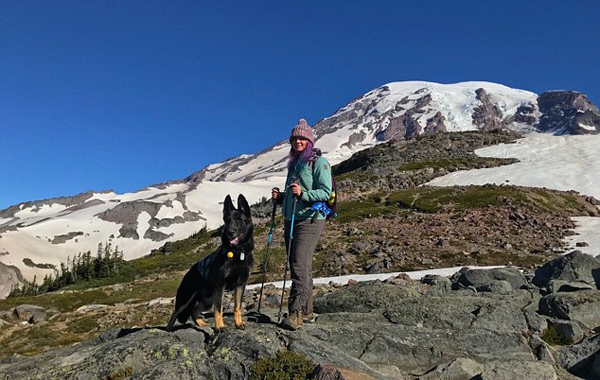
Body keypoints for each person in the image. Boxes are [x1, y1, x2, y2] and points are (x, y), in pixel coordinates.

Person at [272, 118, 332, 331]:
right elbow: (293, 192)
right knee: (300, 264)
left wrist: (304, 194)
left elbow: (325, 192)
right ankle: (307, 311)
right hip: (292, 219)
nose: (298, 141)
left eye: (302, 138)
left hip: (310, 218)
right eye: (295, 138)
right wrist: (282, 197)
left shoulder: (319, 162)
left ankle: (295, 313)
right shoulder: (295, 164)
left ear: (309, 141)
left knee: (298, 264)